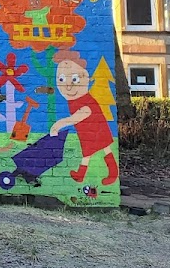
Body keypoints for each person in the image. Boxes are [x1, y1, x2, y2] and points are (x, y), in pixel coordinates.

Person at [49, 50, 118, 185]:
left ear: (85, 77)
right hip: (85, 129)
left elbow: (81, 114)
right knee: (87, 151)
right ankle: (81, 174)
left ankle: (112, 172)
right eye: (62, 79)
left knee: (104, 147)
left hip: (95, 127)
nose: (68, 86)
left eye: (74, 79)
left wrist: (59, 124)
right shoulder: (74, 100)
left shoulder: (84, 100)